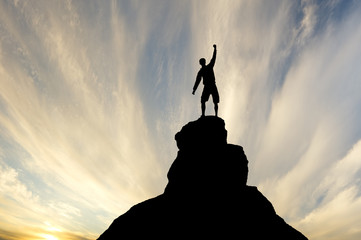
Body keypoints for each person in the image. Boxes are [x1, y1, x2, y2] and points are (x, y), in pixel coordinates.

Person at [192, 44, 219, 117]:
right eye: (201, 62)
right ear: (200, 63)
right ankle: (203, 115)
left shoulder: (209, 66)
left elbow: (214, 58)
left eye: (202, 61)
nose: (202, 63)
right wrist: (194, 89)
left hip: (212, 85)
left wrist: (215, 49)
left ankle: (216, 115)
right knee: (203, 101)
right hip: (207, 86)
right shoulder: (201, 71)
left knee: (215, 101)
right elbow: (197, 81)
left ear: (203, 62)